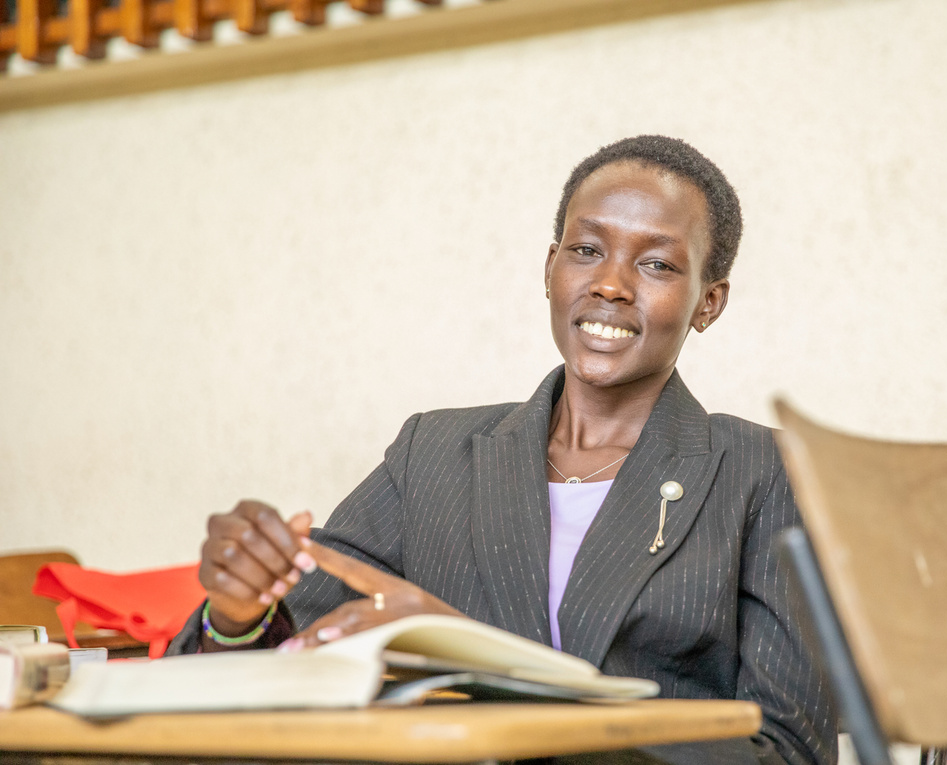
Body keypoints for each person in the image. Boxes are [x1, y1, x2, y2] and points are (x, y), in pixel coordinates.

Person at [168, 135, 837, 765]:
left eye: (657, 263)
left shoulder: (764, 471)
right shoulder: (432, 453)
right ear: (550, 269)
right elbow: (286, 663)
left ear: (707, 303)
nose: (610, 283)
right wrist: (236, 614)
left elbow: (784, 749)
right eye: (586, 250)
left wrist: (494, 671)